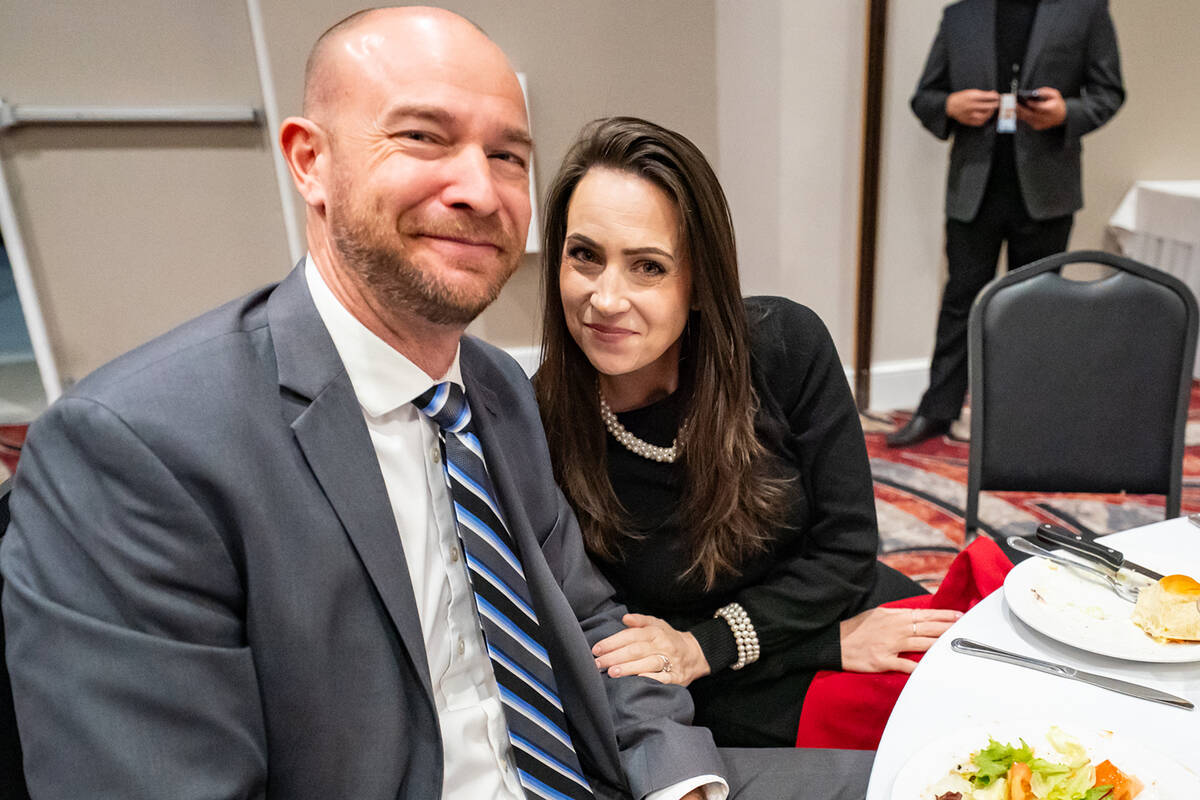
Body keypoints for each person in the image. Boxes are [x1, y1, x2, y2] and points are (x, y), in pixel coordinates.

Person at [0, 9, 880, 800]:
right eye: (424, 137)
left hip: (611, 772)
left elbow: (594, 622)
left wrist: (678, 780)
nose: (478, 189)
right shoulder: (139, 448)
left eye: (507, 156)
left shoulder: (493, 390)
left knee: (948, 775)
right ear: (311, 160)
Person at [533, 116, 961, 749]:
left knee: (1010, 702)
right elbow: (620, 643)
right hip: (726, 691)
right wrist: (817, 649)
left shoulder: (786, 346)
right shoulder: (537, 422)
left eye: (647, 266)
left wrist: (770, 641)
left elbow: (845, 551)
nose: (606, 298)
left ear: (700, 282)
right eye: (585, 256)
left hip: (847, 615)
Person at [887, 0, 1124, 447]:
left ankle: (1030, 420)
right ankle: (938, 411)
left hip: (1046, 193)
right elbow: (926, 98)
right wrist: (951, 106)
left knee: (1039, 309)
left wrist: (1066, 113)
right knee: (960, 301)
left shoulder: (1085, 11)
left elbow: (1109, 93)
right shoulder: (960, 15)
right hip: (974, 190)